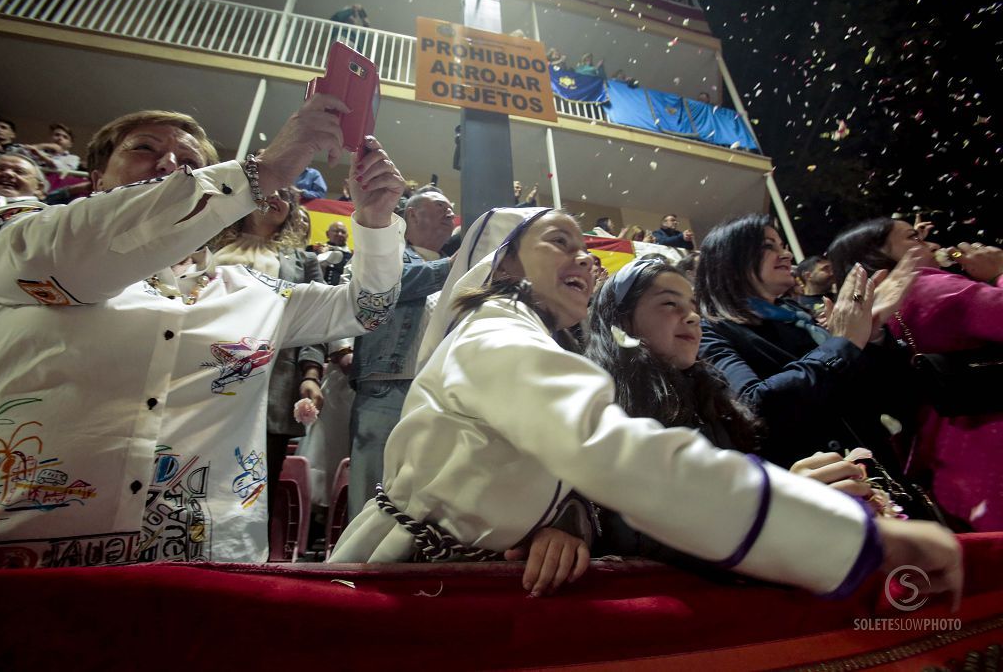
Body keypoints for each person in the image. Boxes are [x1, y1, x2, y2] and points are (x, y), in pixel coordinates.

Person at [331, 207, 961, 609]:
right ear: (504, 263)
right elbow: (610, 453)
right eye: (559, 241)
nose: (585, 257)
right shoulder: (496, 328)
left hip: (476, 588)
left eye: (587, 247)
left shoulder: (538, 339)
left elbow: (552, 469)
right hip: (405, 586)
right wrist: (841, 541)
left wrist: (570, 520)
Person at [0, 97, 407, 569]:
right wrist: (261, 171)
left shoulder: (254, 292)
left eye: (191, 164)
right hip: (13, 562)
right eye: (144, 148)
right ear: (97, 178)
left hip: (207, 568)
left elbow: (366, 308)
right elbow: (60, 261)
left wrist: (375, 221)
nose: (169, 164)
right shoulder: (6, 233)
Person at [585, 257, 909, 565]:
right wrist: (775, 507)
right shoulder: (604, 409)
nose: (693, 316)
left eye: (693, 306)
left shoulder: (711, 397)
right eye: (670, 304)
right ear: (622, 322)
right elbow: (638, 533)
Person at [695, 214, 921, 476]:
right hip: (817, 481)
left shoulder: (797, 314)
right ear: (729, 259)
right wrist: (843, 343)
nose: (786, 255)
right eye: (769, 246)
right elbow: (752, 406)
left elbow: (884, 392)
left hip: (876, 466)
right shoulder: (710, 330)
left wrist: (872, 336)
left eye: (783, 245)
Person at [828, 218, 1003, 531]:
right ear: (876, 256)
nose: (930, 245)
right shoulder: (934, 288)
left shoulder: (869, 315)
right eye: (913, 238)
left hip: (946, 461)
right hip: (990, 440)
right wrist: (998, 272)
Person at [209, 186, 327, 507]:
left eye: (288, 195)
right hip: (206, 374)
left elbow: (312, 324)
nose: (278, 198)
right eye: (270, 189)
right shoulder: (208, 244)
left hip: (273, 379)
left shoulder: (304, 261)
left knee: (254, 491)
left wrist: (311, 374)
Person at [346, 190, 455, 519]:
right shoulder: (388, 253)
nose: (451, 213)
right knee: (372, 488)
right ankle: (357, 569)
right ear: (413, 214)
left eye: (451, 208)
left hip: (437, 393)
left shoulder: (460, 271)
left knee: (425, 492)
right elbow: (385, 286)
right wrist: (451, 266)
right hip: (388, 383)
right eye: (441, 206)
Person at [0, 151, 49, 216]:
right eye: (0, 169)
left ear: (39, 188)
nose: (7, 173)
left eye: (19, 171)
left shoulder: (45, 216)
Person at [323, 220, 353, 285]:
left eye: (343, 232)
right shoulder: (314, 250)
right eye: (336, 231)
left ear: (347, 236)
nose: (339, 234)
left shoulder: (352, 257)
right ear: (327, 234)